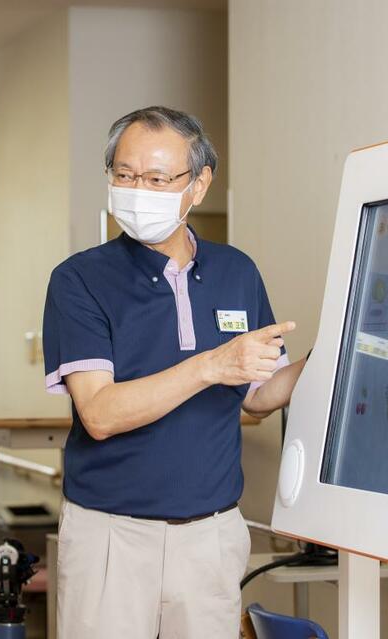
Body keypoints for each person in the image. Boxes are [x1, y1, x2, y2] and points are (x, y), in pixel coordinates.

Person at [43, 106, 308, 638]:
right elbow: (99, 413)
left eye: (158, 178)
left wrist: (344, 355)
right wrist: (213, 364)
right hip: (112, 539)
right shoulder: (80, 280)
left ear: (199, 184)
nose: (138, 189)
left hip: (209, 536)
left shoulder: (237, 270)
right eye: (124, 174)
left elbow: (257, 394)